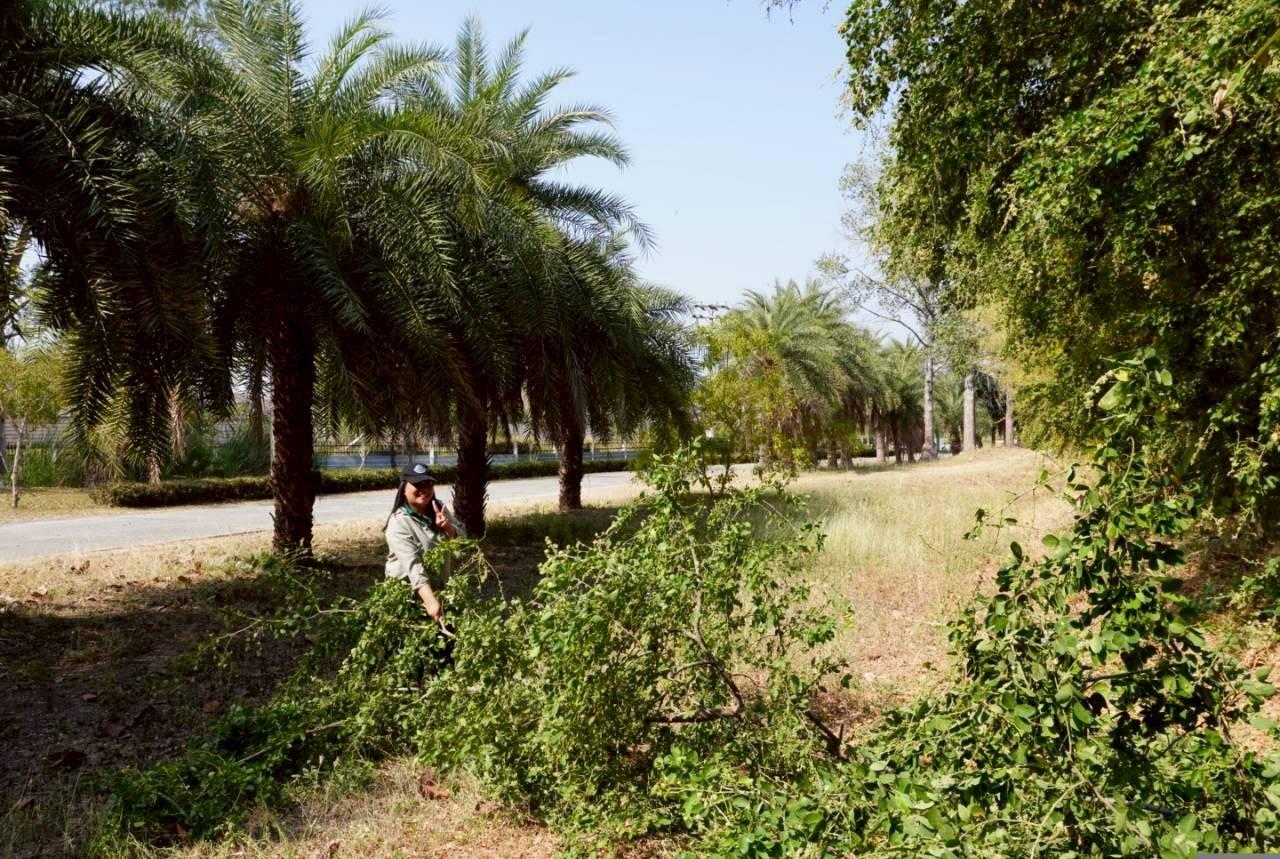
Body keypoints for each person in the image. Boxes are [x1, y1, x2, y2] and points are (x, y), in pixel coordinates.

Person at [384, 463, 464, 619]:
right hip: (408, 597)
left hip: (440, 590)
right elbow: (413, 565)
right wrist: (430, 601)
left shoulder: (438, 508)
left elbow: (463, 540)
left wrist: (448, 527)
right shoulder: (399, 522)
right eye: (417, 484)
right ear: (403, 488)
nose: (424, 489)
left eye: (428, 484)